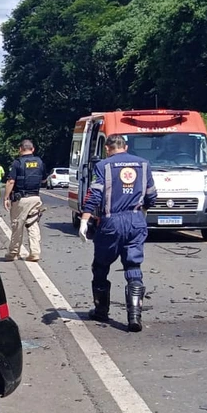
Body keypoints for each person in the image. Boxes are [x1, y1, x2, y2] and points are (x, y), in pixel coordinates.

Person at [78, 134, 157, 332]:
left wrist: (84, 219)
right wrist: (144, 209)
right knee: (133, 266)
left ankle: (102, 311)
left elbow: (94, 194)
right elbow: (152, 195)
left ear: (107, 148)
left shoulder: (103, 166)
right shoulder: (144, 164)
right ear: (126, 146)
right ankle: (134, 316)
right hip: (136, 220)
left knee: (101, 266)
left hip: (111, 221)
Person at [4, 139, 45, 261]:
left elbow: (11, 181)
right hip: (35, 198)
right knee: (33, 224)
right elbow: (43, 179)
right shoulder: (39, 162)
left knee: (17, 224)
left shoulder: (17, 163)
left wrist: (6, 197)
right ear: (32, 149)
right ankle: (35, 252)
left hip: (21, 199)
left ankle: (13, 253)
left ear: (20, 149)